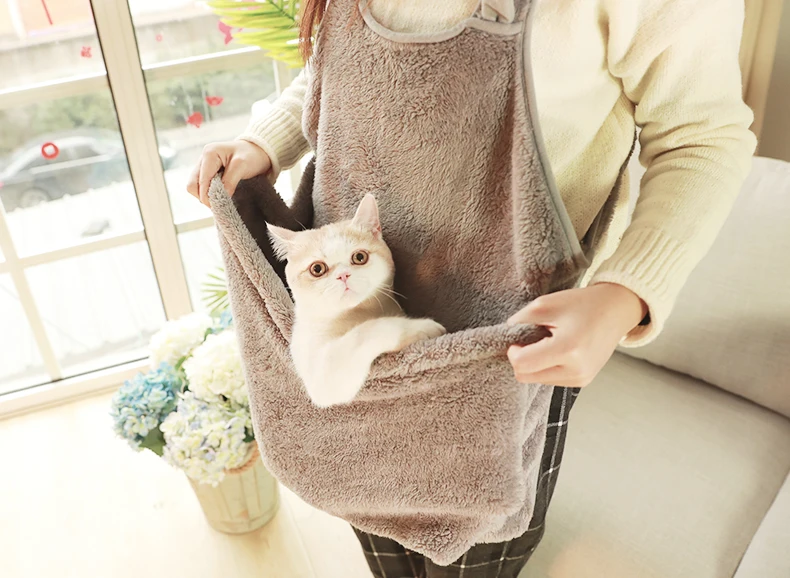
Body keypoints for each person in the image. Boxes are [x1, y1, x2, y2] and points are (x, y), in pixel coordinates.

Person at [187, 0, 756, 575]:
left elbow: (702, 137)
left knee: (473, 556)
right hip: (356, 329)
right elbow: (337, 68)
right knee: (378, 526)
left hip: (506, 350)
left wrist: (623, 294)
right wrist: (266, 143)